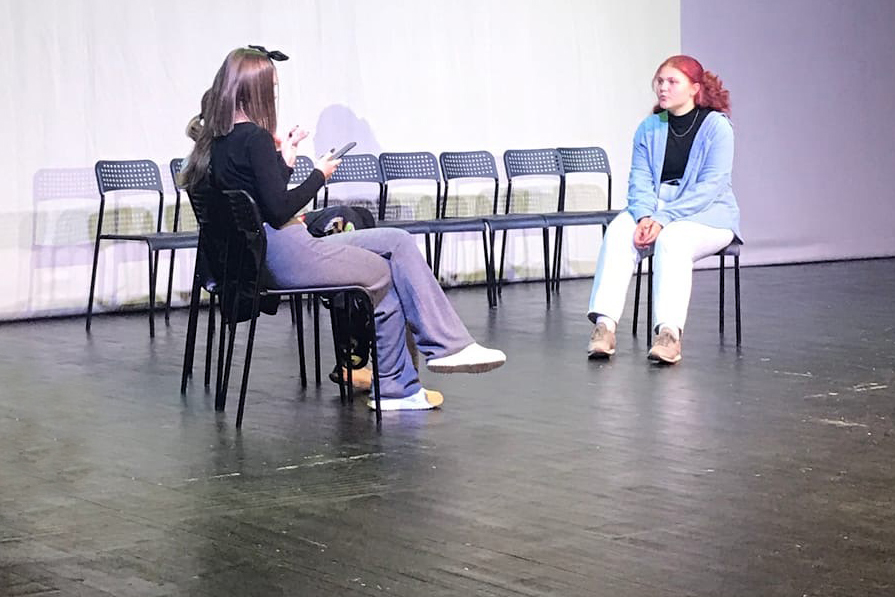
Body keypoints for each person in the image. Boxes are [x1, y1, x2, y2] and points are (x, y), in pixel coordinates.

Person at [180, 46, 506, 410]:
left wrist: (285, 162)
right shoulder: (254, 138)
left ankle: (427, 365)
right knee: (385, 271)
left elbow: (262, 198)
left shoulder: (218, 143)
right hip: (288, 253)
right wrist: (319, 174)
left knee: (397, 242)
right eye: (271, 88)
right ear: (254, 91)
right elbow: (278, 208)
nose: (274, 96)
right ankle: (411, 377)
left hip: (261, 257)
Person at [586, 55, 741, 364]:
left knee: (673, 240)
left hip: (709, 214)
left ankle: (669, 334)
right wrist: (645, 216)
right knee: (619, 232)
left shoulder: (717, 127)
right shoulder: (649, 127)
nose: (663, 87)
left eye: (672, 82)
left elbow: (711, 186)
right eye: (660, 81)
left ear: (694, 88)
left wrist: (662, 219)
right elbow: (640, 180)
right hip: (656, 207)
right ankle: (605, 326)